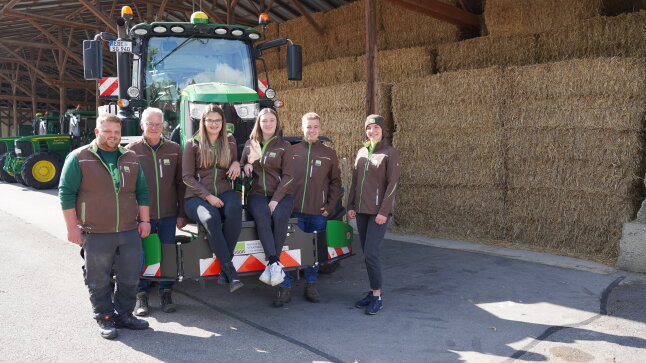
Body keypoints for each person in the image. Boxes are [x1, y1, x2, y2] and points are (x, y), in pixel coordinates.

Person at [59, 113, 151, 339]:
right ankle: (104, 316)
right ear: (97, 132)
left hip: (129, 230)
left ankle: (125, 314)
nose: (113, 136)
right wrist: (72, 227)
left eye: (117, 132)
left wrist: (145, 220)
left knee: (130, 275)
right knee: (97, 277)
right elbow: (66, 193)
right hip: (95, 231)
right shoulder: (79, 157)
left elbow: (142, 192)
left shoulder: (130, 157)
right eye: (107, 131)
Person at [273, 112, 341, 307]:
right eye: (308, 127)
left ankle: (310, 284)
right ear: (301, 128)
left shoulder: (329, 153)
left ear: (320, 129)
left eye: (315, 127)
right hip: (293, 212)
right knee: (287, 250)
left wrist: (329, 206)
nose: (311, 130)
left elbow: (335, 182)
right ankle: (284, 286)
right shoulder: (291, 151)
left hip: (318, 212)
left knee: (314, 251)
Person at [125, 107, 187, 316]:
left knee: (167, 254)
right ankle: (141, 296)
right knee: (143, 254)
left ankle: (166, 292)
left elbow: (181, 183)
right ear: (142, 125)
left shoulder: (174, 149)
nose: (154, 128)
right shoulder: (131, 151)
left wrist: (182, 213)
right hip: (143, 217)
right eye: (150, 124)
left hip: (169, 214)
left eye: (158, 124)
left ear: (163, 126)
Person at [182, 104, 243, 292]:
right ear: (203, 122)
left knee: (234, 210)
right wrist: (208, 197)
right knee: (211, 218)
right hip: (196, 196)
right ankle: (230, 271)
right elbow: (187, 177)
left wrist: (236, 163)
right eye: (210, 120)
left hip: (224, 190)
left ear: (223, 122)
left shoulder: (230, 141)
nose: (214, 124)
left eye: (217, 120)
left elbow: (237, 159)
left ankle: (225, 270)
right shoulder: (192, 144)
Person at [347, 114, 401, 315]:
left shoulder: (390, 153)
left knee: (371, 252)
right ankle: (371, 291)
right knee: (367, 253)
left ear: (382, 130)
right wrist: (350, 204)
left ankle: (377, 296)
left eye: (376, 128)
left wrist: (384, 212)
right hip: (361, 210)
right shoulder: (361, 152)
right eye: (369, 128)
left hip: (377, 212)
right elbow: (354, 180)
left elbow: (392, 185)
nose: (372, 131)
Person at [241, 108, 294, 292]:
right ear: (259, 123)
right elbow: (240, 166)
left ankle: (273, 262)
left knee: (279, 217)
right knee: (262, 217)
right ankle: (275, 263)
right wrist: (246, 165)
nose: (268, 124)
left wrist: (275, 200)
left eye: (271, 120)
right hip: (257, 194)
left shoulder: (284, 145)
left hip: (282, 194)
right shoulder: (250, 143)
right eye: (264, 121)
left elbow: (289, 176)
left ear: (276, 122)